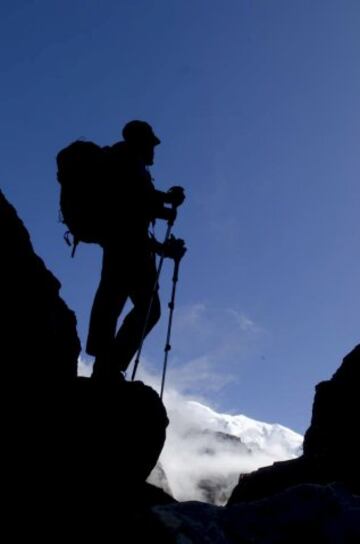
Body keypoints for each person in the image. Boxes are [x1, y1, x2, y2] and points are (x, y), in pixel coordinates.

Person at [86, 120, 185, 380]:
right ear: (141, 143)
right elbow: (135, 207)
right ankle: (109, 366)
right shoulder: (128, 164)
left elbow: (138, 207)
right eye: (151, 143)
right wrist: (167, 204)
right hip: (129, 250)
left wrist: (165, 205)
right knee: (143, 307)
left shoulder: (125, 163)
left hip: (122, 246)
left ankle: (106, 364)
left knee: (112, 301)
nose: (154, 149)